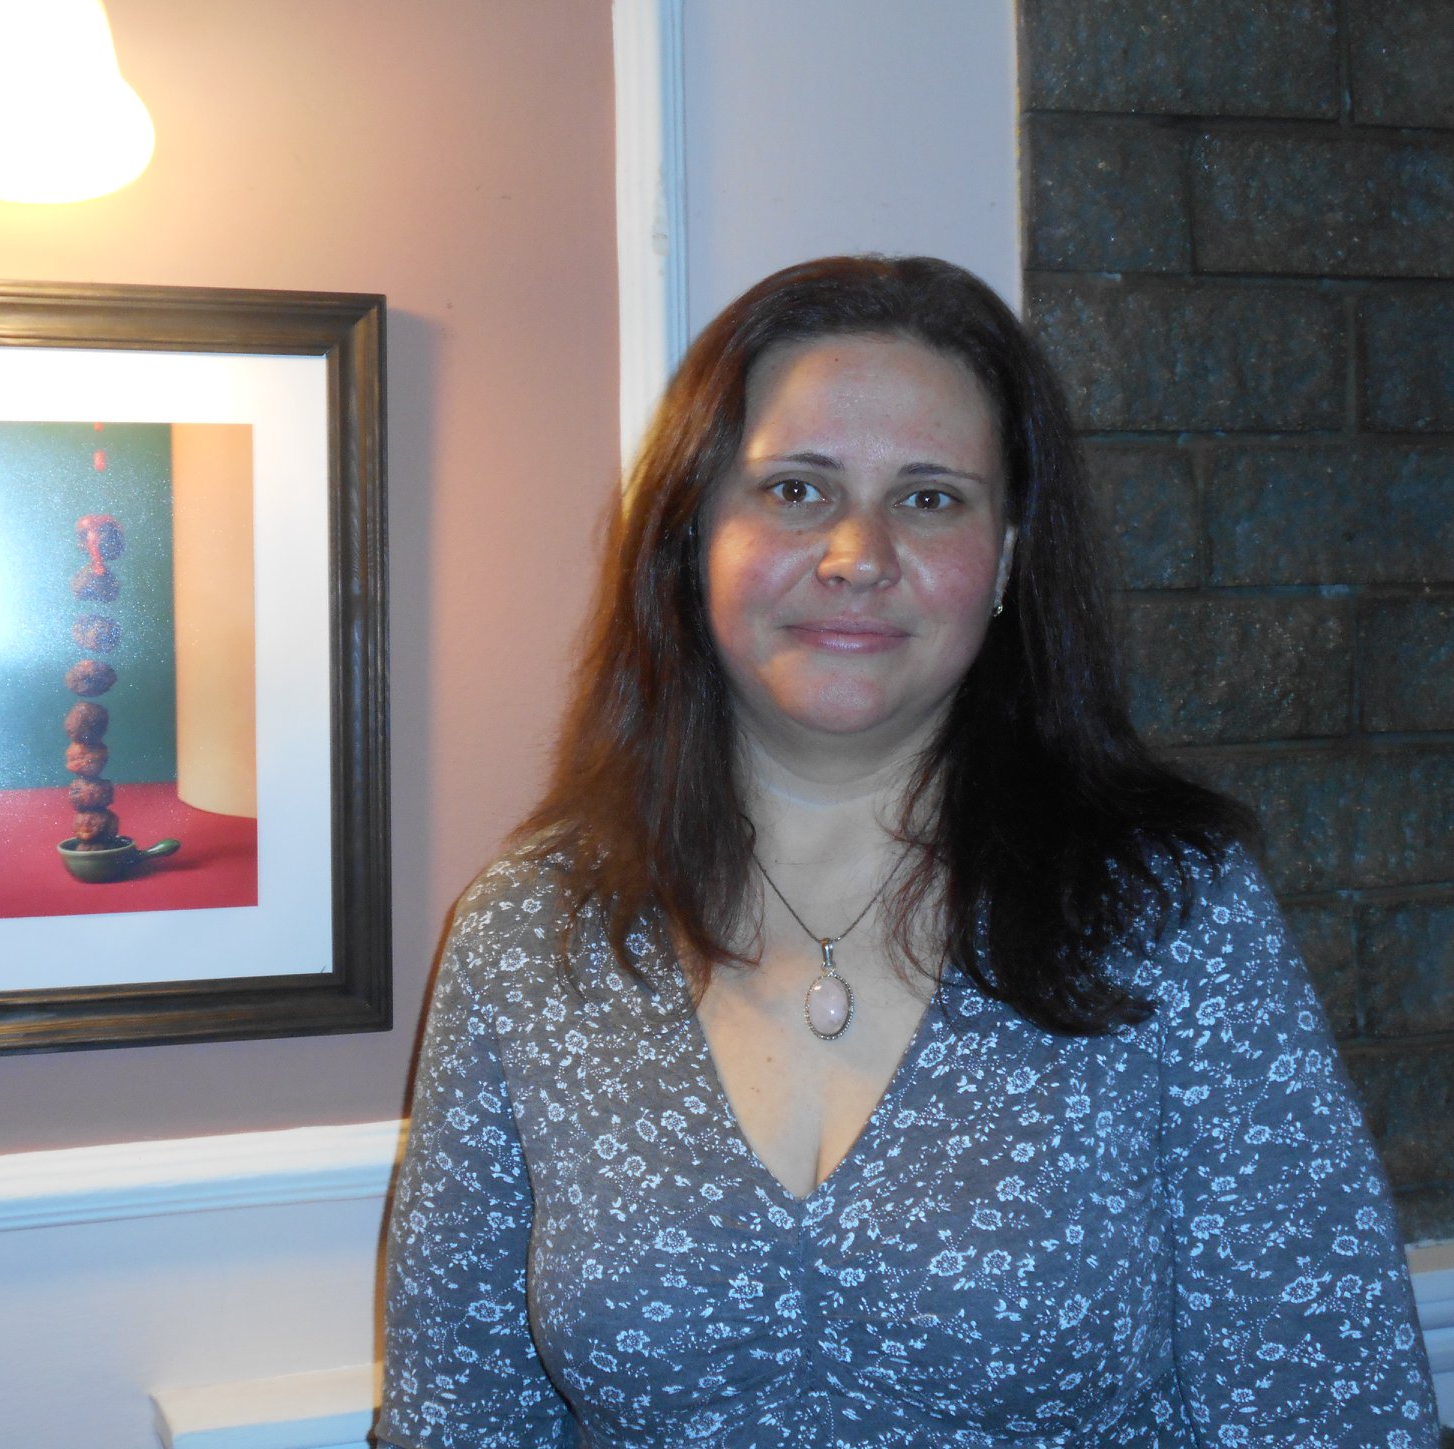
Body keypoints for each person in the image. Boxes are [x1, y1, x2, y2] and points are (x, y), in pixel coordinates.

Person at [377, 256, 1439, 1447]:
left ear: (1009, 560)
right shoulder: (533, 936)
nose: (858, 553)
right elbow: (458, 1417)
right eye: (795, 489)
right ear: (692, 535)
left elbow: (1329, 1402)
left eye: (930, 499)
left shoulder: (1166, 914)